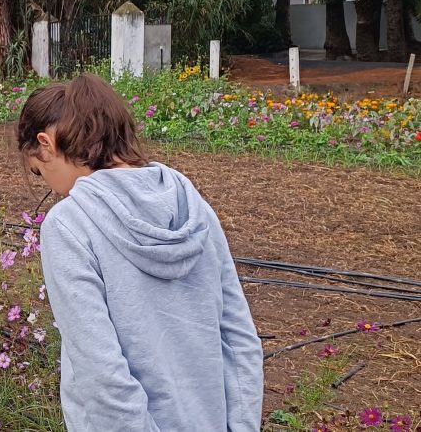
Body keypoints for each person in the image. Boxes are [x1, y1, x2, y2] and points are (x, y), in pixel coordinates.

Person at [16, 74, 264, 432]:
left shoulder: (70, 224)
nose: (52, 188)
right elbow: (239, 337)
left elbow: (101, 371)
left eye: (39, 172)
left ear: (46, 143)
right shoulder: (193, 208)